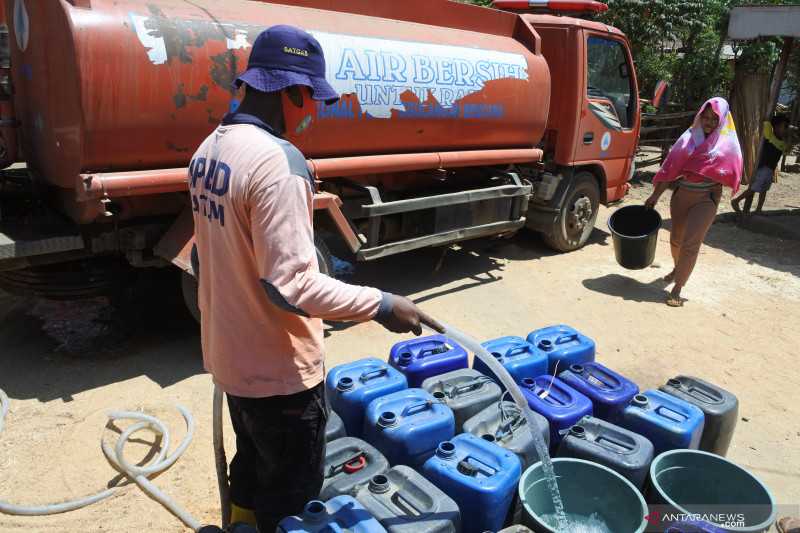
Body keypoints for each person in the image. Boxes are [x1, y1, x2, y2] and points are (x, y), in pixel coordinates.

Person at [188, 25, 442, 532]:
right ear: (290, 91)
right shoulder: (279, 165)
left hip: (232, 360)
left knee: (251, 465)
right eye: (311, 98)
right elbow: (292, 287)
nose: (314, 111)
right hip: (280, 376)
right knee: (291, 493)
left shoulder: (210, 150)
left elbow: (203, 258)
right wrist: (384, 303)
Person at [645, 97, 743, 307]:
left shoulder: (727, 144)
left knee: (691, 243)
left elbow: (732, 169)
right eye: (705, 117)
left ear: (722, 121)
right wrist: (655, 196)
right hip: (681, 196)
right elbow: (669, 171)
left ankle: (678, 288)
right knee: (676, 240)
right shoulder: (687, 139)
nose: (708, 122)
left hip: (707, 198)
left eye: (713, 118)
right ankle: (676, 268)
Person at [731, 115, 790, 215]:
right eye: (783, 126)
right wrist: (771, 117)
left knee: (764, 190)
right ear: (775, 127)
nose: (785, 130)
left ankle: (759, 209)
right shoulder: (770, 136)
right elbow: (766, 123)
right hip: (763, 167)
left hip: (771, 169)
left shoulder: (783, 143)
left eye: (786, 127)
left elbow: (786, 151)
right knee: (754, 188)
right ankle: (736, 201)